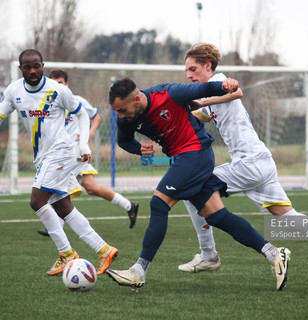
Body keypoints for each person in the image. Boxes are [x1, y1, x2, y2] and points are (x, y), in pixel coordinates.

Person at [105, 77, 291, 291]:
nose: (120, 115)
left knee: (158, 204)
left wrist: (224, 86)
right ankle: (273, 253)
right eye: (117, 112)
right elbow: (123, 140)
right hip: (182, 159)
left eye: (122, 110)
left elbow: (202, 88)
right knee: (215, 215)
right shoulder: (126, 119)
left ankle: (139, 271)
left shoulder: (168, 94)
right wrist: (139, 149)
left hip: (196, 153)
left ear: (136, 100)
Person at [178, 42, 304, 275]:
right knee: (291, 220)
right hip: (262, 161)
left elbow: (235, 90)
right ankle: (208, 255)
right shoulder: (209, 93)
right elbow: (196, 116)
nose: (188, 75)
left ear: (208, 65)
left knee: (190, 186)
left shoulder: (220, 81)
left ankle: (208, 255)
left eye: (193, 69)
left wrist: (207, 99)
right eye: (186, 70)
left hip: (250, 164)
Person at [0, 49, 118, 276]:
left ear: (42, 65)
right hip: (43, 157)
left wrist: (84, 144)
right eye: (27, 67)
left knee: (36, 201)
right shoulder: (14, 91)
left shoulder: (58, 90)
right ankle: (103, 249)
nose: (33, 71)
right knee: (63, 207)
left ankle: (67, 253)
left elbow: (83, 114)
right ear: (21, 69)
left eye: (36, 66)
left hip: (62, 152)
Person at [37, 69, 139, 237]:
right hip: (61, 154)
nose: (57, 86)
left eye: (60, 83)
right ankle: (129, 206)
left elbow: (96, 117)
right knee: (91, 188)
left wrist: (88, 134)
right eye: (54, 83)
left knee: (57, 186)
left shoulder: (76, 101)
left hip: (75, 154)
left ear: (67, 84)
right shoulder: (48, 105)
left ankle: (57, 226)